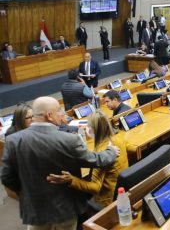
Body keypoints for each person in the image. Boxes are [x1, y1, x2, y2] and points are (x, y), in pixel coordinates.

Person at [1, 96, 118, 230]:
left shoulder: (13, 141)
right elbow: (95, 160)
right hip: (64, 209)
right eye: (59, 111)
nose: (62, 114)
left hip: (35, 209)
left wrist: (27, 191)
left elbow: (7, 178)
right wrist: (111, 151)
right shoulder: (69, 140)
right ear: (49, 115)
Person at [47, 110, 128, 208]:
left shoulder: (101, 154)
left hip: (108, 200)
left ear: (94, 129)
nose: (87, 129)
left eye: (88, 126)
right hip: (122, 190)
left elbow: (95, 188)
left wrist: (72, 180)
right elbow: (131, 147)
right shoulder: (119, 139)